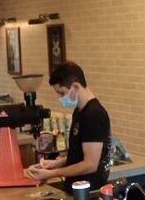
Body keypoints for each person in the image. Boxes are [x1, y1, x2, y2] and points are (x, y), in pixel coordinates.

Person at [24, 61, 111, 191]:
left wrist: (52, 173)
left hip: (89, 191)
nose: (60, 98)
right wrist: (55, 163)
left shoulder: (94, 115)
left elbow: (90, 164)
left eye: (62, 93)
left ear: (75, 87)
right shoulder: (79, 111)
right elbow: (79, 155)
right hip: (75, 188)